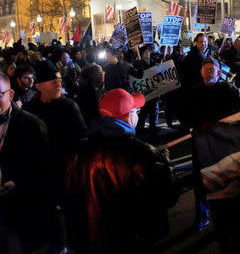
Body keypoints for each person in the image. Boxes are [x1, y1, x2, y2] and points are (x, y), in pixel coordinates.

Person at [65, 88, 177, 253]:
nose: (138, 115)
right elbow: (168, 195)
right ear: (128, 116)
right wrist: (165, 162)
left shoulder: (80, 150)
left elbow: (70, 196)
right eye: (136, 111)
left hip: (93, 241)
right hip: (132, 240)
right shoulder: (141, 153)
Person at [0, 72, 57, 253]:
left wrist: (17, 183)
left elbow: (46, 171)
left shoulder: (32, 125)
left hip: (18, 208)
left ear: (11, 94)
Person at [188, 57, 240, 233]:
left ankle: (226, 217)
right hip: (200, 142)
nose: (208, 72)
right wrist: (192, 126)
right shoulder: (194, 91)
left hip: (221, 142)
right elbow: (186, 113)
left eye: (211, 69)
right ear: (201, 72)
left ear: (219, 72)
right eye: (205, 69)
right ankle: (202, 216)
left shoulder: (228, 90)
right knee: (200, 180)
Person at [23, 60, 87, 201]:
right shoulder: (29, 110)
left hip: (67, 174)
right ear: (39, 86)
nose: (59, 85)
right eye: (53, 82)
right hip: (40, 177)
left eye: (59, 80)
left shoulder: (70, 107)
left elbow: (82, 140)